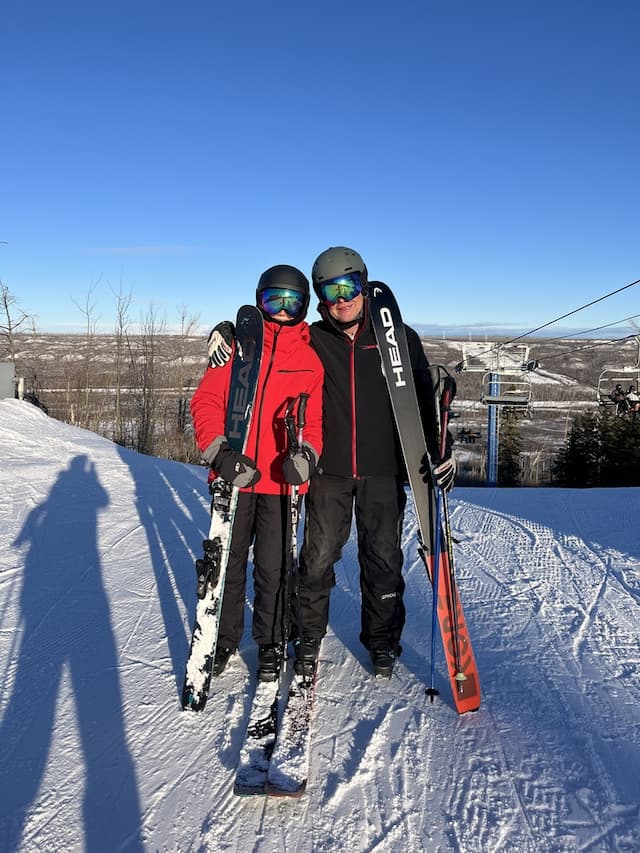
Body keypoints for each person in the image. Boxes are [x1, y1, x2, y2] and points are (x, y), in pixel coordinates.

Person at [207, 247, 454, 681]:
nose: (341, 299)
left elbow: (419, 404)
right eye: (330, 291)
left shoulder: (399, 339)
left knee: (383, 561)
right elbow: (269, 341)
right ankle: (306, 636)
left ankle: (381, 641)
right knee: (317, 560)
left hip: (383, 470)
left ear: (363, 285)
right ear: (319, 298)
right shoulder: (314, 339)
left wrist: (440, 449)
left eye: (349, 287)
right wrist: (229, 329)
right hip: (329, 473)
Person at [190, 265, 324, 682]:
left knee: (274, 568)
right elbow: (206, 402)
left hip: (280, 484)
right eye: (273, 301)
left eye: (292, 303)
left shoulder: (310, 361)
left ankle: (270, 642)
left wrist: (305, 458)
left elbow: (315, 425)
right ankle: (223, 638)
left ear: (304, 307)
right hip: (236, 475)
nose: (282, 312)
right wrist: (220, 454)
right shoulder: (237, 349)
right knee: (228, 566)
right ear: (260, 300)